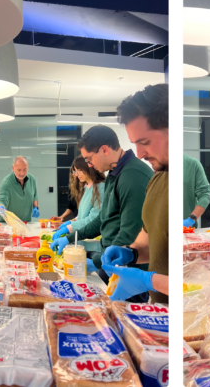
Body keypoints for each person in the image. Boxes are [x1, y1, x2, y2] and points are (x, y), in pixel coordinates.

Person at [98, 84, 171, 304]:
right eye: (135, 144)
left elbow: (196, 279)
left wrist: (149, 281)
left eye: (145, 142)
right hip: (159, 310)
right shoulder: (157, 180)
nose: (140, 154)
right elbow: (150, 235)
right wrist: (131, 252)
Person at [73, 124, 154, 303]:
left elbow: (131, 231)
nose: (89, 165)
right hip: (112, 262)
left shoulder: (132, 176)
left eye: (89, 158)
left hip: (130, 268)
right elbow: (103, 218)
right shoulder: (114, 174)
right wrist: (71, 236)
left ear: (104, 150)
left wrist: (96, 262)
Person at [49, 156, 106, 251]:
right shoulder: (86, 187)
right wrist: (70, 222)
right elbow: (82, 215)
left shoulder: (100, 188)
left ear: (89, 167)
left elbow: (93, 220)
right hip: (82, 242)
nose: (76, 174)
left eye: (79, 170)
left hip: (93, 246)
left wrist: (69, 227)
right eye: (75, 171)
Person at [0, 156, 39, 223]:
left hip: (25, 223)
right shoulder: (7, 182)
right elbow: (2, 200)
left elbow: (35, 194)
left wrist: (35, 207)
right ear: (13, 168)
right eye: (19, 170)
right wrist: (1, 207)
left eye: (25, 169)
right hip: (9, 224)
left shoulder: (31, 179)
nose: (22, 173)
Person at [182, 154, 210, 228]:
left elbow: (205, 194)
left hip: (186, 230)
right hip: (157, 231)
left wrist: (192, 219)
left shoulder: (192, 164)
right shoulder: (156, 166)